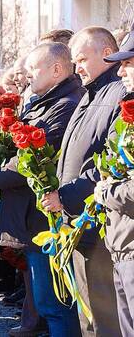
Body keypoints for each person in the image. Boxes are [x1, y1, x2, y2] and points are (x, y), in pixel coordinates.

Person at [0, 43, 83, 337]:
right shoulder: (44, 101)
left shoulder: (65, 105)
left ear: (56, 69)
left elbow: (35, 155)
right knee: (44, 299)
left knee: (55, 305)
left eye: (34, 68)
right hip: (32, 215)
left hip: (47, 216)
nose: (27, 75)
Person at [40, 26, 123, 336]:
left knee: (103, 317)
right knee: (87, 315)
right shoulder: (90, 94)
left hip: (98, 223)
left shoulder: (118, 95)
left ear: (106, 54)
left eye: (82, 59)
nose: (78, 69)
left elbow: (108, 162)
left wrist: (68, 195)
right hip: (78, 220)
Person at [93, 32, 134, 335]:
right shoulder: (126, 112)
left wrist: (107, 190)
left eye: (128, 64)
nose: (120, 72)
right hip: (121, 243)